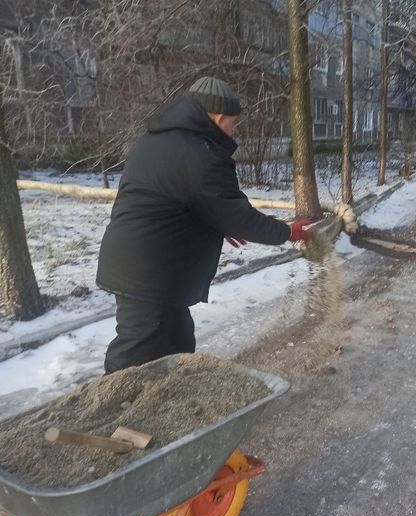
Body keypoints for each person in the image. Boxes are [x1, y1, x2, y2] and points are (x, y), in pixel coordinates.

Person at [97, 76, 311, 374]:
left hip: (143, 262)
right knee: (135, 351)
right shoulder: (202, 153)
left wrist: (218, 224)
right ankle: (111, 411)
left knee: (178, 339)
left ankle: (165, 403)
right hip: (148, 270)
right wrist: (288, 232)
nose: (231, 131)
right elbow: (237, 215)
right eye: (232, 124)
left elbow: (175, 200)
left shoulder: (153, 140)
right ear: (220, 118)